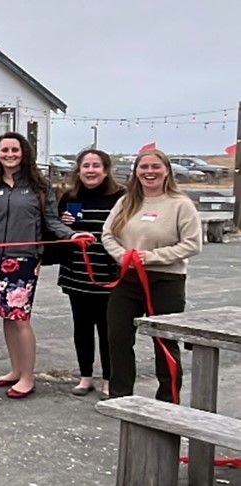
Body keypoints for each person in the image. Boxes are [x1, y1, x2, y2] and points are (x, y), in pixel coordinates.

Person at [0, 133, 86, 399]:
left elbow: (52, 220)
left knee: (20, 318)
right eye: (4, 150)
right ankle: (15, 370)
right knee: (7, 316)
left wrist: (71, 235)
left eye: (15, 149)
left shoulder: (39, 185)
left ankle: (28, 376)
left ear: (24, 152)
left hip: (23, 259)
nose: (10, 154)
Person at [101, 149, 202, 402]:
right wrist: (122, 256)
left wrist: (152, 257)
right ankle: (120, 395)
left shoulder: (180, 204)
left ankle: (169, 398)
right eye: (144, 167)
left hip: (166, 281)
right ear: (136, 171)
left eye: (155, 166)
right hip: (127, 278)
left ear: (167, 170)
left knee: (165, 342)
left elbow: (192, 244)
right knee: (118, 338)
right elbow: (107, 235)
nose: (149, 172)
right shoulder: (126, 202)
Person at [56, 149, 125, 397]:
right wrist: (64, 225)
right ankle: (85, 377)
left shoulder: (121, 197)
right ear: (79, 170)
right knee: (81, 328)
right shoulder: (70, 197)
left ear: (105, 170)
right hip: (78, 275)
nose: (91, 170)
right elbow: (58, 231)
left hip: (109, 276)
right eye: (86, 166)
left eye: (96, 166)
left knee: (108, 329)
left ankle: (109, 378)